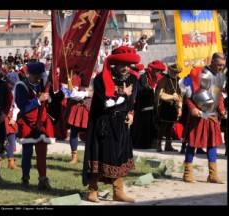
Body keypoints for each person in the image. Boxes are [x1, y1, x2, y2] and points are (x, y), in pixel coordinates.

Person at [82, 46, 140, 203]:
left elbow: (132, 101)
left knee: (120, 157)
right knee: (101, 155)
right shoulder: (102, 78)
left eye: (128, 65)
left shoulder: (133, 79)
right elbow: (106, 103)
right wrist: (122, 94)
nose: (125, 68)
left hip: (121, 124)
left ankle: (118, 191)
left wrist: (130, 113)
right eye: (122, 64)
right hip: (104, 124)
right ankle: (92, 190)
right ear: (115, 64)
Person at [182, 52, 227, 184]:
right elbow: (187, 95)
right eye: (219, 65)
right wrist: (192, 108)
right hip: (199, 114)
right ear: (212, 61)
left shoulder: (221, 76)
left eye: (223, 65)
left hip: (212, 115)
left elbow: (218, 96)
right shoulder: (197, 73)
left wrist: (222, 109)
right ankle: (187, 173)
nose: (221, 68)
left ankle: (212, 175)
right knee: (192, 143)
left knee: (212, 144)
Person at [15, 62, 55, 190]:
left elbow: (53, 100)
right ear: (28, 74)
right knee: (27, 152)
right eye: (35, 76)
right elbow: (23, 105)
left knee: (42, 153)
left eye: (39, 76)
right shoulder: (21, 86)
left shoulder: (44, 85)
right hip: (27, 123)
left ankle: (42, 180)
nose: (38, 79)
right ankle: (25, 179)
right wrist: (38, 100)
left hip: (42, 123)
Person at [131, 60, 165, 150]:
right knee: (143, 126)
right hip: (144, 106)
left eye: (158, 71)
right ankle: (141, 145)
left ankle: (155, 145)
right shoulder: (143, 77)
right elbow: (139, 90)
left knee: (155, 127)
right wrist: (151, 91)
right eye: (155, 70)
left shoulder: (162, 78)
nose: (157, 72)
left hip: (157, 107)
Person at [64, 66, 94, 164]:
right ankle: (74, 157)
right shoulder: (74, 76)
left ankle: (90, 158)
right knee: (74, 131)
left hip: (91, 105)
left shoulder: (96, 75)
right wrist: (86, 94)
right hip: (77, 105)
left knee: (91, 132)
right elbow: (71, 93)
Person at [154, 63, 183, 152]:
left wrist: (179, 107)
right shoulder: (164, 80)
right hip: (164, 106)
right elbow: (160, 94)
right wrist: (171, 97)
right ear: (170, 70)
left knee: (171, 127)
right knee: (162, 126)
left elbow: (180, 95)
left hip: (173, 107)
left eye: (177, 73)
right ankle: (158, 145)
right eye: (174, 72)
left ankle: (168, 145)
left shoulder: (179, 80)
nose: (176, 74)